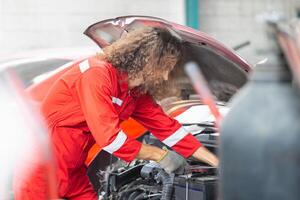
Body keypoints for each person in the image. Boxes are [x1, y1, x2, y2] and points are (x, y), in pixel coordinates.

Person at [18, 27, 219, 200]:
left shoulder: (134, 92)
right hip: (42, 169)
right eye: (163, 67)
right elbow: (109, 138)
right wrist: (160, 155)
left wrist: (217, 163)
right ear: (147, 60)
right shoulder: (96, 74)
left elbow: (169, 129)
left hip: (73, 170)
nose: (166, 76)